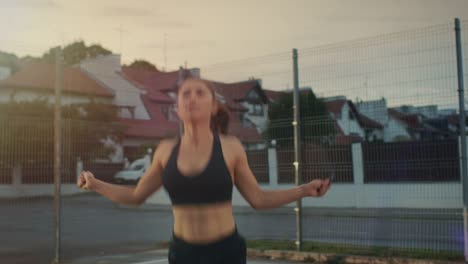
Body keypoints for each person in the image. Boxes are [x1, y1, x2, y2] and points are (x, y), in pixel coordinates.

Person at [77, 77, 331, 264]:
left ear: (213, 107)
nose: (192, 98)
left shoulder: (231, 148)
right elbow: (135, 196)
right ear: (177, 107)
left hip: (226, 252)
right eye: (185, 94)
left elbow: (259, 199)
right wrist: (95, 184)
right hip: (182, 254)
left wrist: (305, 190)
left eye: (200, 93)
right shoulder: (165, 151)